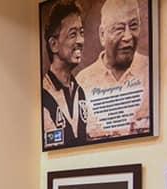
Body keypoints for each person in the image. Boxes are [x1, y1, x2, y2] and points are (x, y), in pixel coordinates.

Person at [75, 0, 150, 139]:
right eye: (119, 29)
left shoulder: (150, 72)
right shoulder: (82, 83)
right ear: (102, 35)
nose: (128, 37)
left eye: (134, 26)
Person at [42, 1, 87, 148]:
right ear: (54, 44)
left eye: (81, 33)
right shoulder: (43, 95)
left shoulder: (80, 93)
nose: (80, 40)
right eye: (73, 34)